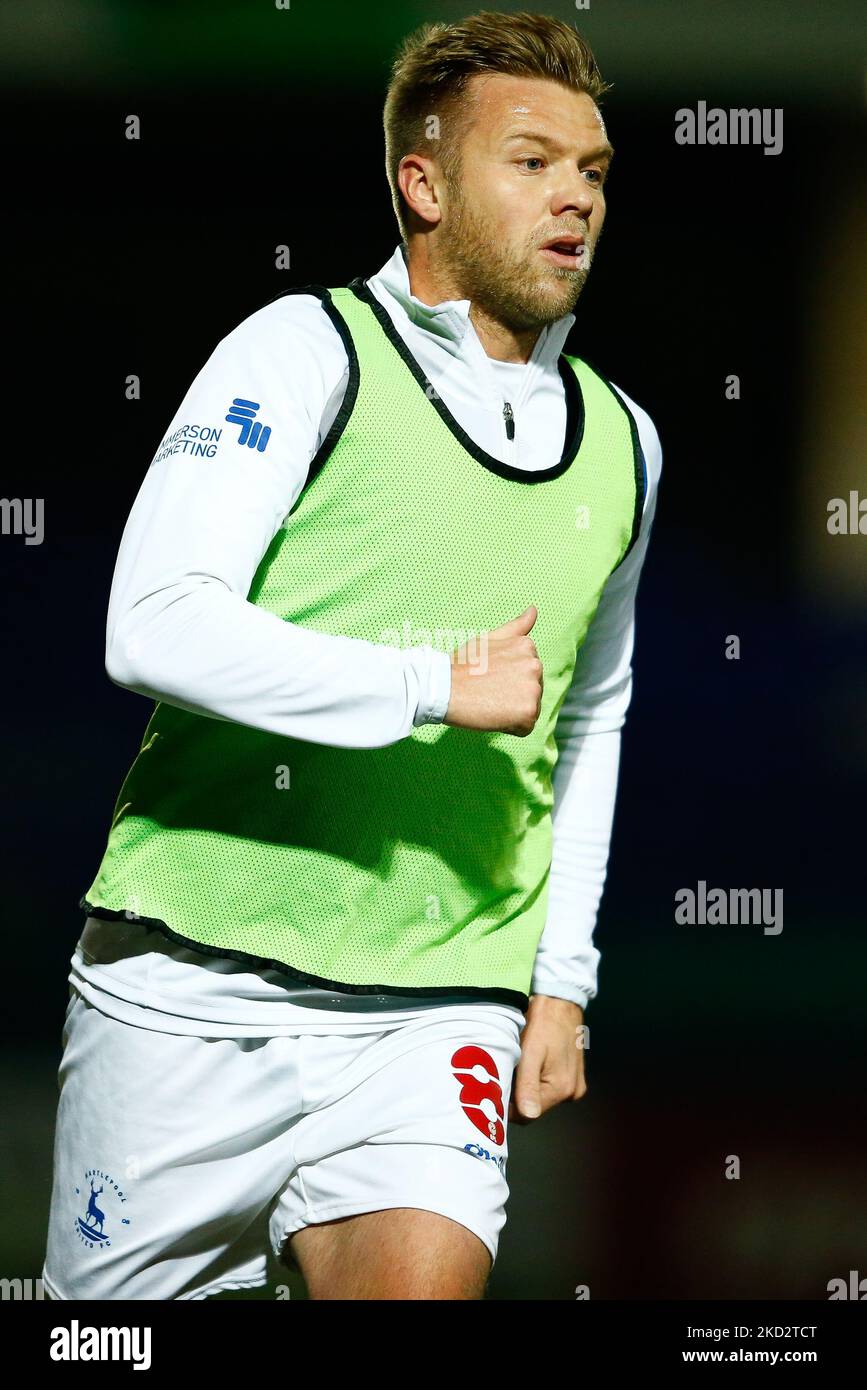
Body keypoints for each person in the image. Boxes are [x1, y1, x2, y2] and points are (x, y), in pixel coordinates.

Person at [43, 10, 662, 1300]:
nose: (577, 201)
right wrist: (428, 688)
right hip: (192, 987)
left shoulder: (627, 441)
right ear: (423, 184)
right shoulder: (301, 349)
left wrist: (562, 981)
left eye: (593, 171)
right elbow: (151, 624)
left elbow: (589, 721)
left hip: (442, 1005)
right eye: (532, 162)